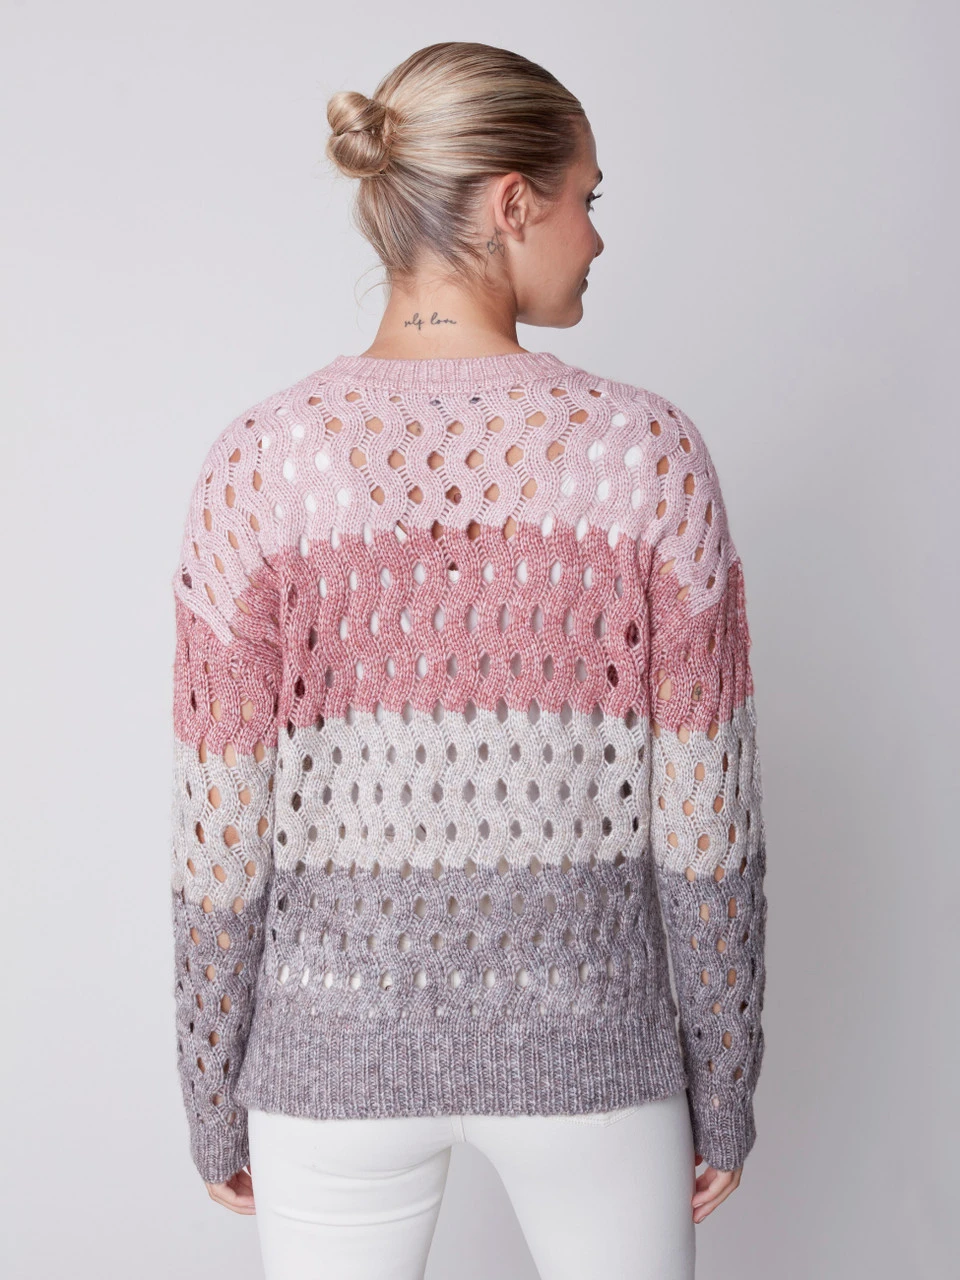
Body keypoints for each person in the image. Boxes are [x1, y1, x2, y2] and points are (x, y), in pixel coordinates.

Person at [169, 40, 768, 1280]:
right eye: (586, 197)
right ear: (512, 202)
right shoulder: (648, 455)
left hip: (329, 1061)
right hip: (592, 1056)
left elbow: (219, 831)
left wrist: (214, 1085)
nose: (597, 237)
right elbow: (706, 826)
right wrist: (722, 1080)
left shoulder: (258, 462)